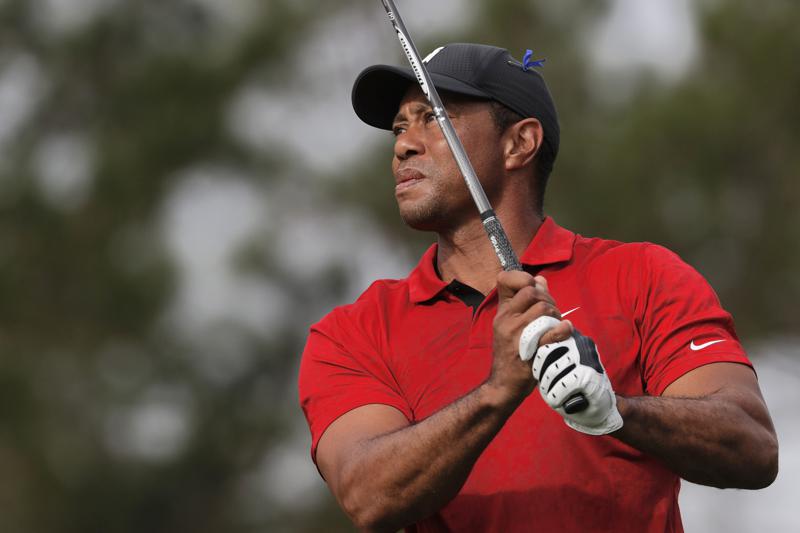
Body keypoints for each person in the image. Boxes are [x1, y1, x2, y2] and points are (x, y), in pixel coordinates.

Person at [298, 43, 778, 532]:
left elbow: (752, 445)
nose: (403, 144)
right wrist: (498, 392)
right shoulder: (353, 332)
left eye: (434, 118)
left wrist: (616, 410)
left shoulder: (643, 276)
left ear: (519, 143)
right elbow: (368, 494)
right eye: (400, 127)